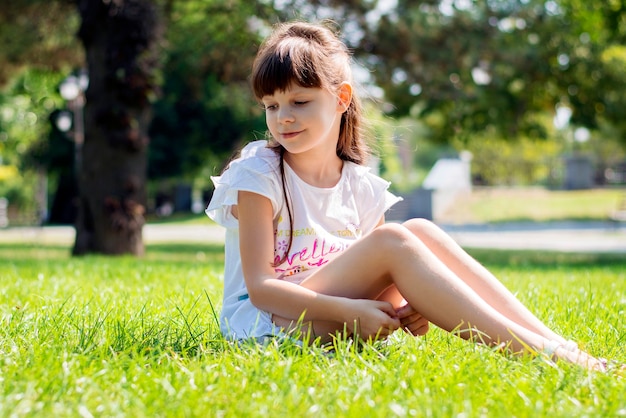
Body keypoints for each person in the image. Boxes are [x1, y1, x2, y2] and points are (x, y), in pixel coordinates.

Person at [206, 21, 610, 371]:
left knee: (420, 230)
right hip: (265, 324)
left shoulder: (360, 186)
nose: (283, 117)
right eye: (271, 105)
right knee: (396, 239)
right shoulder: (259, 172)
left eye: (299, 101)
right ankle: (546, 356)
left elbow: (385, 280)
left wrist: (409, 308)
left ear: (341, 98)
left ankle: (559, 346)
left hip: (332, 318)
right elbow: (260, 288)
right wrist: (348, 312)